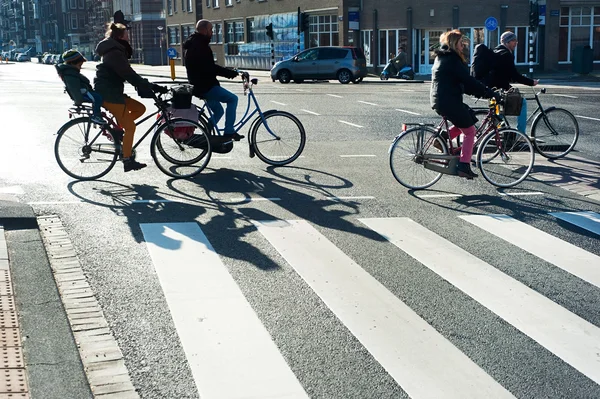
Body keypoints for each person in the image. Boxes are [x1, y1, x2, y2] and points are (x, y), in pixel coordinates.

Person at [94, 22, 166, 172]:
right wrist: (149, 86)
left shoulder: (115, 50)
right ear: (121, 36)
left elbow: (127, 73)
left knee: (139, 108)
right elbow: (128, 74)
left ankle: (118, 130)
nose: (129, 36)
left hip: (114, 92)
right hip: (110, 95)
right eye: (127, 34)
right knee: (131, 127)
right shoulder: (114, 53)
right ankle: (127, 159)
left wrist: (146, 85)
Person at [430, 29, 498, 179]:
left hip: (441, 99)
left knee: (469, 116)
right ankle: (464, 165)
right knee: (470, 131)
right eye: (461, 43)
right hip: (449, 101)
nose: (463, 47)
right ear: (454, 44)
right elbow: (468, 81)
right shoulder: (453, 59)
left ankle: (442, 137)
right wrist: (489, 93)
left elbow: (463, 83)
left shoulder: (443, 57)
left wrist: (482, 92)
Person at [183, 19, 241, 141]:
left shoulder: (195, 43)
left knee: (219, 111)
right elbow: (210, 67)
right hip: (205, 86)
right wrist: (229, 73)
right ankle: (229, 131)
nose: (212, 32)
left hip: (201, 85)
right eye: (210, 29)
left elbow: (208, 66)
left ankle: (206, 131)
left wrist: (228, 71)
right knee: (233, 99)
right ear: (204, 30)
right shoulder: (200, 45)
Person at [483, 31, 539, 133]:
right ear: (506, 42)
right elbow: (514, 75)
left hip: (492, 87)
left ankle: (488, 131)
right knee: (522, 103)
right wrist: (531, 82)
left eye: (516, 40)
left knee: (500, 110)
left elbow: (504, 73)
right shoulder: (506, 54)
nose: (516, 43)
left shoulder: (497, 51)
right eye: (513, 40)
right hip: (499, 87)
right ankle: (521, 135)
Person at [56, 49, 104, 125]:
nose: (80, 68)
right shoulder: (70, 74)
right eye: (79, 65)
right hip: (83, 93)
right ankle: (96, 116)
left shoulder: (71, 72)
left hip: (84, 92)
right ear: (72, 63)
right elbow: (74, 89)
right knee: (97, 98)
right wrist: (78, 101)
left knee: (97, 97)